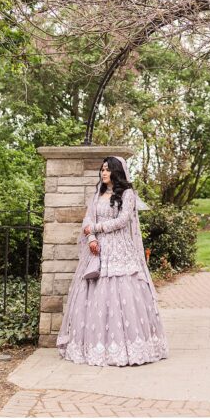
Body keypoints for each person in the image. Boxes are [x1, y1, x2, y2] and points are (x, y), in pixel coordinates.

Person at [57, 155, 168, 366]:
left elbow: (123, 220)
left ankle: (127, 347)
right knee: (95, 292)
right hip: (97, 250)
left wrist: (96, 228)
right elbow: (88, 219)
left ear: (116, 171)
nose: (104, 173)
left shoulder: (127, 194)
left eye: (108, 169)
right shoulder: (97, 194)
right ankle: (96, 346)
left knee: (122, 292)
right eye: (102, 169)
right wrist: (91, 237)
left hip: (119, 249)